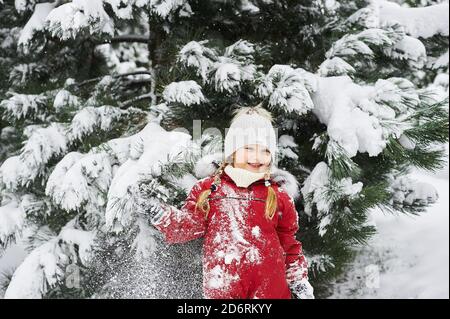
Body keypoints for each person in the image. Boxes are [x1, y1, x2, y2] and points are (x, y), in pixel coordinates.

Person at [149, 105, 314, 299]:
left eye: (265, 151)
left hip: (270, 291)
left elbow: (289, 243)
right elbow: (189, 225)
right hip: (223, 287)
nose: (257, 157)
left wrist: (298, 280)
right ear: (232, 152)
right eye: (249, 149)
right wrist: (164, 216)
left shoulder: (277, 195)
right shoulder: (210, 190)